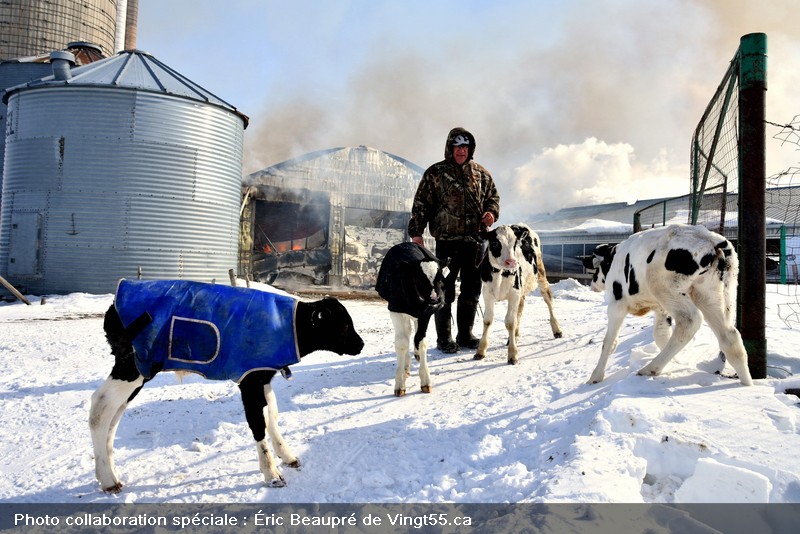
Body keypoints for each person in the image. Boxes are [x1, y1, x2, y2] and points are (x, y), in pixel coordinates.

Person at [408, 127, 500, 353]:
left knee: (471, 290)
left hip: (474, 243)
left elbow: (493, 199)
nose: (461, 151)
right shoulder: (435, 173)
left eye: (465, 147)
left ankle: (466, 335)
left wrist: (491, 213)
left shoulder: (481, 174)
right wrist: (416, 232)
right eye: (457, 147)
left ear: (471, 149)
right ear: (450, 148)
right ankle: (444, 339)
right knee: (444, 291)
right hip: (447, 243)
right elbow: (421, 204)